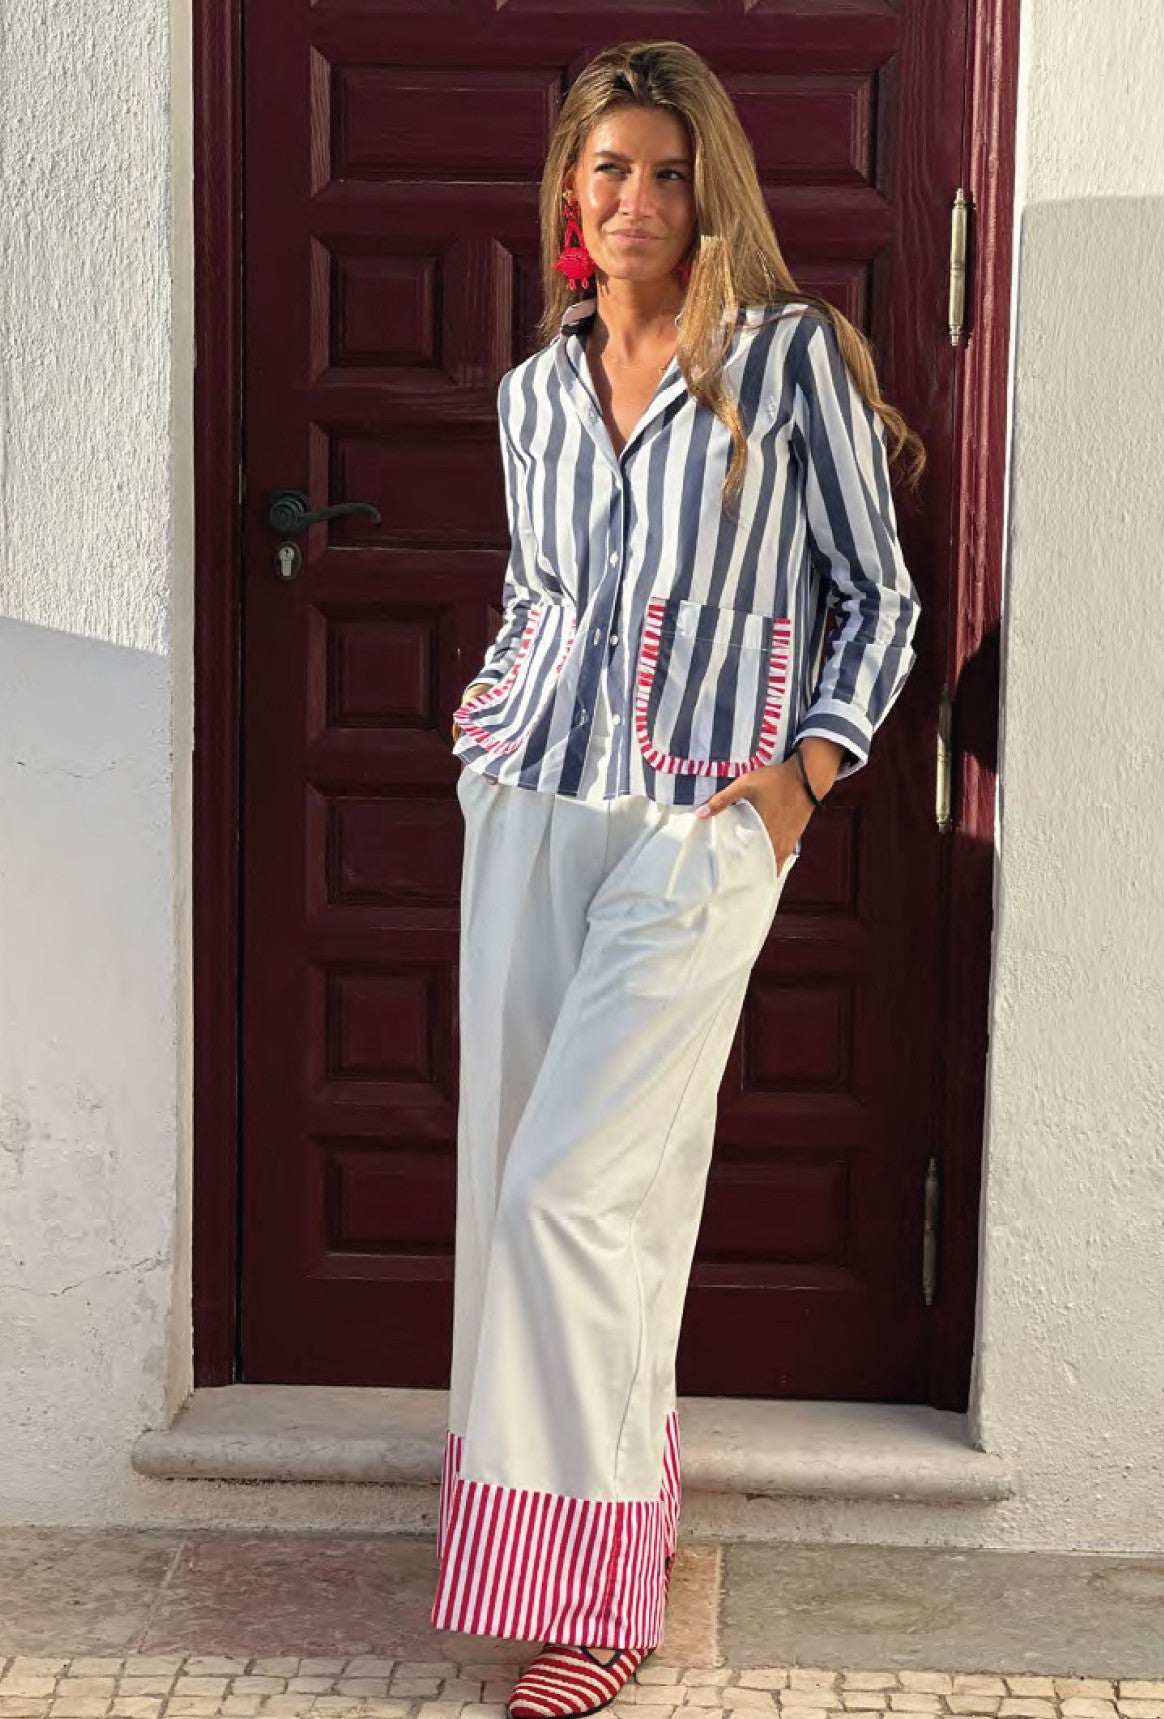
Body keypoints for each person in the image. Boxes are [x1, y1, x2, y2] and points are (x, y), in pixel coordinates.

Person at [430, 37, 924, 1719]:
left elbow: (879, 597)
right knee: (535, 1183)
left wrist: (801, 780)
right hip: (535, 800)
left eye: (662, 171)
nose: (632, 199)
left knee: (571, 1192)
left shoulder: (788, 363)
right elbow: (538, 593)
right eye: (606, 170)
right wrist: (485, 730)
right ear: (568, 197)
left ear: (710, 192)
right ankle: (564, 1551)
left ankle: (596, 1594)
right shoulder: (535, 393)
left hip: (701, 826)